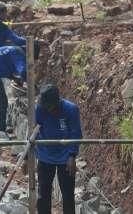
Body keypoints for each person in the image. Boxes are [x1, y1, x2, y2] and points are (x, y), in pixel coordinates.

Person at [35, 84, 82, 214]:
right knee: (43, 193)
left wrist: (72, 155)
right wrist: (29, 156)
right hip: (45, 153)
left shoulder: (71, 110)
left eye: (50, 107)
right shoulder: (39, 109)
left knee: (67, 194)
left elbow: (75, 133)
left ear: (57, 102)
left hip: (65, 156)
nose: (47, 109)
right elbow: (34, 131)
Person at [0, 43, 40, 132]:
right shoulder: (19, 54)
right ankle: (0, 131)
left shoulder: (13, 49)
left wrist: (14, 78)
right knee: (1, 103)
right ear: (30, 54)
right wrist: (32, 86)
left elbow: (4, 66)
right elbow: (24, 72)